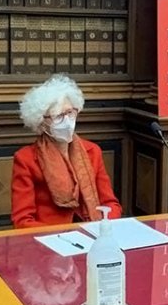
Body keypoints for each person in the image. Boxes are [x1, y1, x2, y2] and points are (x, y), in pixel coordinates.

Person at [11, 74, 122, 228]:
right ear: (41, 123)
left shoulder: (93, 151)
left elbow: (110, 204)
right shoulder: (26, 159)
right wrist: (61, 235)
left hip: (94, 231)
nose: (67, 121)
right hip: (52, 236)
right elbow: (22, 220)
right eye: (58, 116)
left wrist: (102, 227)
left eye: (70, 113)